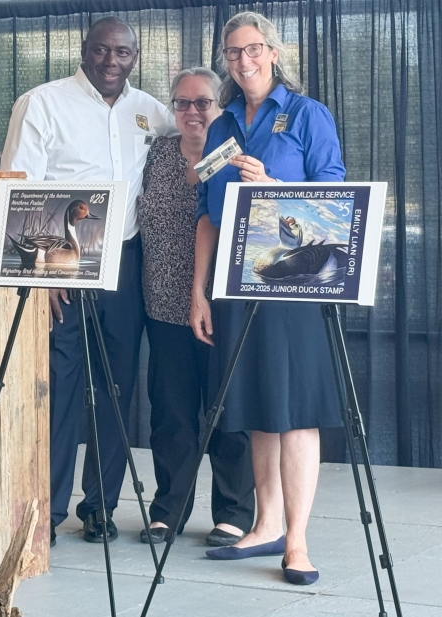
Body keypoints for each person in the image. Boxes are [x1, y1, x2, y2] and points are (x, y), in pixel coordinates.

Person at [0, 16, 176, 546]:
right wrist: (43, 273)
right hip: (61, 266)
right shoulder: (42, 103)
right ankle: (47, 513)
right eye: (101, 51)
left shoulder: (151, 111)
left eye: (122, 53)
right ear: (84, 50)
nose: (110, 62)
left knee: (116, 390)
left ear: (135, 57)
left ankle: (99, 506)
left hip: (123, 263)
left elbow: (194, 135)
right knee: (57, 389)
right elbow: (18, 185)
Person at [190, 12, 345, 584]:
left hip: (295, 284)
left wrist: (276, 190)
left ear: (274, 53)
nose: (244, 61)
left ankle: (297, 542)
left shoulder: (307, 114)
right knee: (257, 405)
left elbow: (335, 195)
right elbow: (207, 216)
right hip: (234, 282)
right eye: (233, 53)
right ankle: (265, 524)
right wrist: (198, 292)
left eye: (253, 49)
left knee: (297, 410)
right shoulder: (220, 123)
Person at [137, 68, 255, 547]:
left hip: (223, 302)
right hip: (163, 302)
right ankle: (169, 509)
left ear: (219, 106)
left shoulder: (234, 155)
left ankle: (234, 512)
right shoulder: (154, 154)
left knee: (229, 408)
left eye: (202, 103)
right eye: (182, 103)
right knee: (172, 412)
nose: (191, 112)